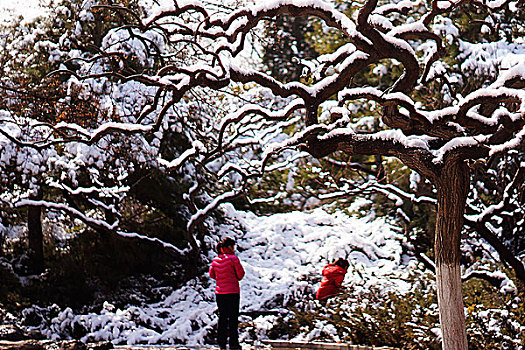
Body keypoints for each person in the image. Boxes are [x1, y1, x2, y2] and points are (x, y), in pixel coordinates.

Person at [209, 237, 245, 350]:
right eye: (232, 246)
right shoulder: (234, 259)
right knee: (233, 318)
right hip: (233, 292)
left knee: (222, 317)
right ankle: (234, 343)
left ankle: (221, 342)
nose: (233, 248)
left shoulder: (215, 260)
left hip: (220, 293)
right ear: (228, 247)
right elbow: (240, 275)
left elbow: (212, 275)